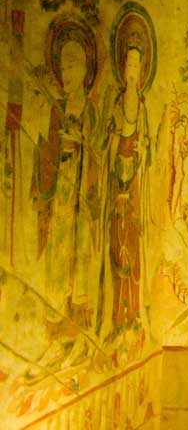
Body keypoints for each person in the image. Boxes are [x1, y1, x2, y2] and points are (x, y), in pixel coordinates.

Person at [31, 33, 99, 371]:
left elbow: (102, 154)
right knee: (57, 268)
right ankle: (57, 340)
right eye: (63, 66)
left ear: (86, 69)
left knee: (80, 267)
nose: (67, 73)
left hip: (81, 205)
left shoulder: (92, 110)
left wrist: (84, 143)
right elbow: (44, 151)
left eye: (73, 66)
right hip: (60, 201)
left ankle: (80, 339)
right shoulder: (56, 108)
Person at [102, 38, 151, 336]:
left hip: (133, 189)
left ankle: (133, 313)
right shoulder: (115, 105)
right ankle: (115, 317)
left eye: (136, 65)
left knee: (132, 250)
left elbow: (145, 149)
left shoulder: (141, 109)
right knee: (114, 250)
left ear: (142, 71)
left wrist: (141, 151)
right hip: (114, 188)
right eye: (128, 64)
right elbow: (107, 143)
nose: (131, 71)